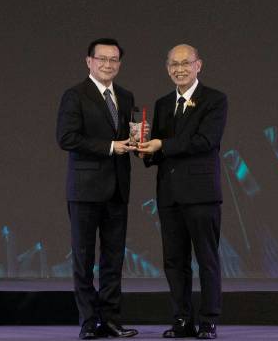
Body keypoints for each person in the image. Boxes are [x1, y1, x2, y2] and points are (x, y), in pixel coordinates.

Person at [136, 43, 226, 340]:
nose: (180, 69)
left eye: (186, 63)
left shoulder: (214, 100)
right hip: (169, 195)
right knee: (174, 261)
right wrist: (144, 151)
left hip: (201, 194)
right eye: (174, 64)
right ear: (167, 68)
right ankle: (182, 320)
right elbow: (159, 149)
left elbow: (205, 141)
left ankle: (208, 321)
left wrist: (162, 145)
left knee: (206, 259)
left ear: (198, 65)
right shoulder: (163, 103)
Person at [56, 37, 140, 339]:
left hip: (118, 189)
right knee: (83, 258)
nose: (108, 64)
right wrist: (110, 147)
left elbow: (130, 136)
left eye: (113, 59)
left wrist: (139, 144)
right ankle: (89, 321)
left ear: (120, 64)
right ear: (89, 61)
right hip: (85, 190)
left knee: (114, 259)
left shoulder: (126, 96)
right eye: (102, 58)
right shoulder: (75, 95)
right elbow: (66, 138)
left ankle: (111, 319)